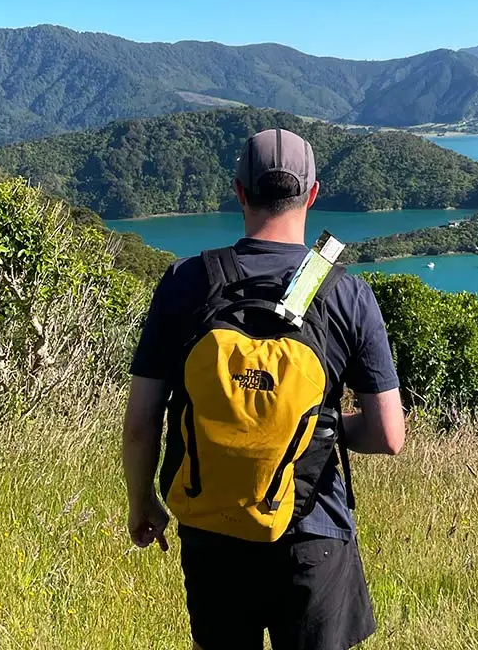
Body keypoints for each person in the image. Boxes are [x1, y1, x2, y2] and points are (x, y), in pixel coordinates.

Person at [122, 127, 406, 650]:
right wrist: (316, 426)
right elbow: (389, 434)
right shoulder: (345, 292)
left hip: (213, 531)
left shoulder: (186, 281)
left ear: (240, 192)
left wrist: (142, 502)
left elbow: (142, 423)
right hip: (313, 532)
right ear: (313, 193)